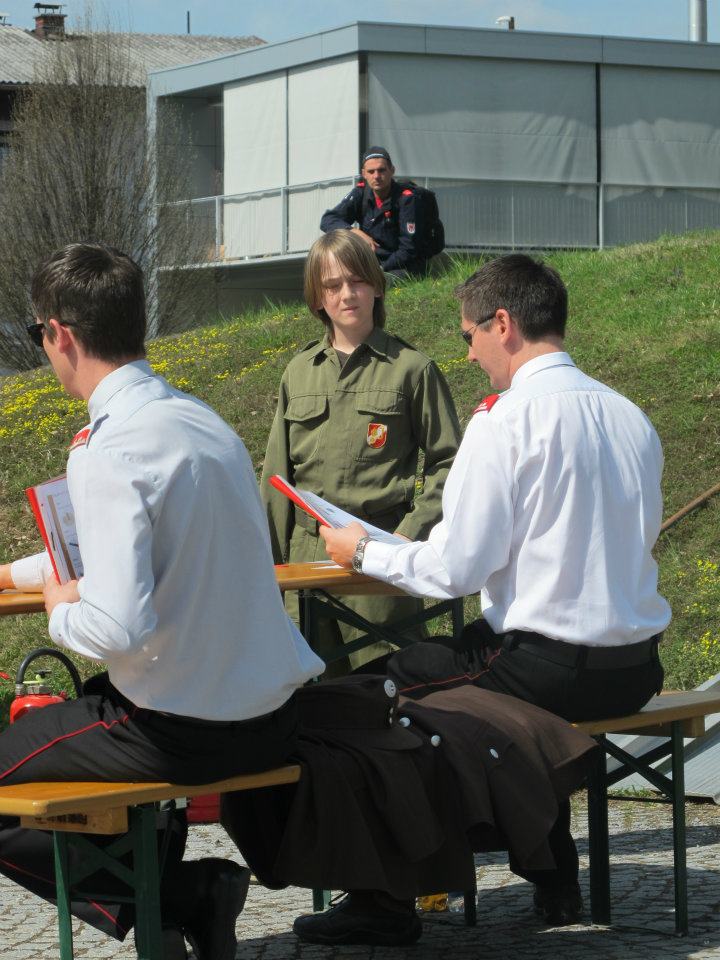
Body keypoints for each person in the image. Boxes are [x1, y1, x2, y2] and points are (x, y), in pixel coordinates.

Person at [317, 253, 671, 934]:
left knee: (364, 695)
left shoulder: (504, 422)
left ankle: (385, 899)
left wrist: (361, 551)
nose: (470, 354)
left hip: (546, 667)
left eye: (469, 335)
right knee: (464, 680)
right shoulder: (630, 416)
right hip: (634, 668)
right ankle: (552, 872)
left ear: (501, 324)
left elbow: (456, 571)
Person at [0, 243, 324, 960]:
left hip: (181, 729)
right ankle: (177, 907)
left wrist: (57, 607)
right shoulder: (200, 422)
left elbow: (116, 624)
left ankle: (178, 898)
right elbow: (129, 552)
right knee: (98, 704)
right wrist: (16, 573)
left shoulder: (106, 449)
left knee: (74, 721)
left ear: (59, 334)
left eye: (37, 335)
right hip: (269, 717)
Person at [261, 229, 461, 674]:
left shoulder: (412, 369)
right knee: (311, 690)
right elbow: (276, 479)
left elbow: (451, 463)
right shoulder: (298, 372)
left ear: (377, 285)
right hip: (307, 562)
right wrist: (268, 571)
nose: (346, 294)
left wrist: (407, 537)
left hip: (378, 557)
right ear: (318, 298)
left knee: (388, 683)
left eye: (357, 281)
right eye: (332, 285)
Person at [320, 146, 439, 278]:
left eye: (381, 170)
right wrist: (354, 232)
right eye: (371, 172)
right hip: (374, 263)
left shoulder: (407, 199)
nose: (376, 176)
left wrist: (380, 270)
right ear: (364, 174)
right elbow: (328, 220)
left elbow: (409, 249)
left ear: (392, 171)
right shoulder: (361, 193)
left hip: (403, 265)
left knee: (380, 284)